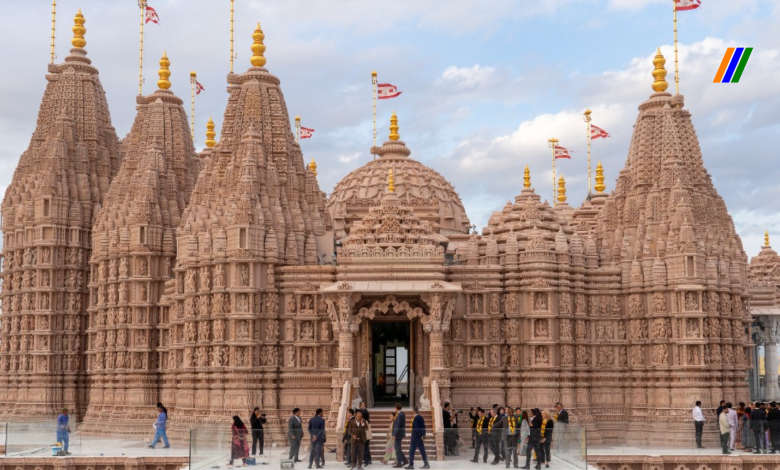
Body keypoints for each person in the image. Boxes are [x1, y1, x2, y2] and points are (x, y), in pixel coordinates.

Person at [392, 403, 407, 468]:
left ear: (396, 408)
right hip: (400, 433)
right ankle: (405, 460)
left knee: (397, 449)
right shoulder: (401, 414)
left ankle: (399, 463)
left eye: (395, 408)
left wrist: (394, 434)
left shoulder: (400, 415)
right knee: (398, 448)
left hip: (398, 434)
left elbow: (397, 425)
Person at [358, 401, 372, 467]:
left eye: (364, 404)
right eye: (362, 405)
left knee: (365, 446)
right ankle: (368, 459)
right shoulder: (364, 412)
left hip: (365, 433)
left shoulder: (365, 412)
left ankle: (367, 460)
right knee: (366, 446)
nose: (363, 406)